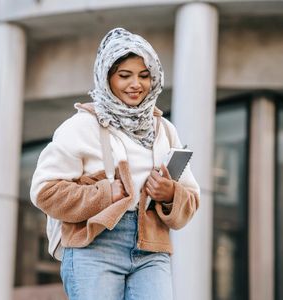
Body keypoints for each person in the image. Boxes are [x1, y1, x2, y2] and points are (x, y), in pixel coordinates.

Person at [29, 28, 200, 300]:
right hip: (94, 246)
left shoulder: (165, 130)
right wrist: (106, 193)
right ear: (107, 77)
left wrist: (169, 195)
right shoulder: (81, 127)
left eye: (144, 76)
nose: (136, 84)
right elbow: (44, 193)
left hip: (152, 248)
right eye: (124, 75)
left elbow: (191, 198)